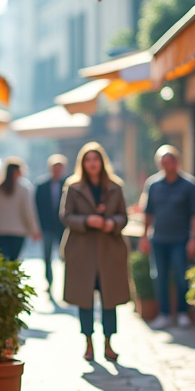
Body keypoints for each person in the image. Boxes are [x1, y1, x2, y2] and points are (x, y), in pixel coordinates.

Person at [60, 142, 129, 362]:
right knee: (84, 299)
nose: (92, 164)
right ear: (83, 163)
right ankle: (88, 343)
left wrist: (112, 223)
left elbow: (123, 216)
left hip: (109, 251)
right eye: (88, 160)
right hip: (82, 251)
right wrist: (88, 220)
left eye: (95, 159)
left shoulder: (116, 187)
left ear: (102, 162)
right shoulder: (73, 186)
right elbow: (66, 216)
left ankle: (109, 343)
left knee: (110, 299)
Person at [139, 145, 195, 329]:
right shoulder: (153, 185)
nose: (167, 164)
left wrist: (193, 238)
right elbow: (148, 212)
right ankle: (164, 313)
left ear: (177, 161)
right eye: (163, 161)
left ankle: (182, 312)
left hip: (181, 239)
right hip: (159, 238)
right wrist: (144, 236)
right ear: (159, 163)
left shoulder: (189, 185)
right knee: (159, 277)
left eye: (170, 160)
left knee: (181, 276)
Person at [0, 157, 40, 261]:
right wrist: (34, 230)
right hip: (18, 231)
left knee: (2, 261)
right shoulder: (24, 189)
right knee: (13, 261)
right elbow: (28, 212)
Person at [33, 154, 68, 293]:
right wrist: (37, 227)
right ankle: (49, 281)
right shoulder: (41, 185)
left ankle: (66, 284)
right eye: (55, 168)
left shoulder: (68, 184)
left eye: (60, 168)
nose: (57, 171)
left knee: (65, 256)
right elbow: (35, 207)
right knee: (47, 256)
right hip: (46, 226)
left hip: (63, 227)